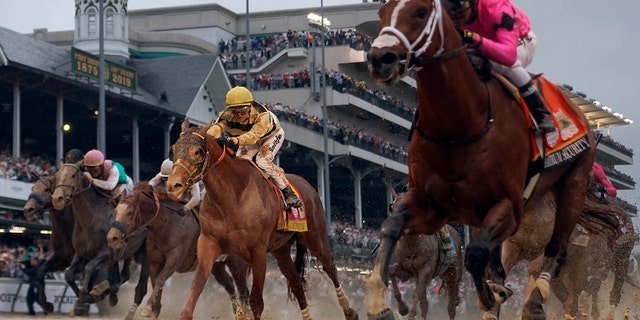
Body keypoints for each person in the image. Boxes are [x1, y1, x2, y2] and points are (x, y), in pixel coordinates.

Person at [443, 0, 555, 133]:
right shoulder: (449, 13)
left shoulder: (499, 9)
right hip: (484, 42)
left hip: (519, 42)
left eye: (458, 5)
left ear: (473, 3)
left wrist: (474, 38)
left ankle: (541, 114)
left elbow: (508, 57)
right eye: (446, 5)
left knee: (500, 64)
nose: (453, 12)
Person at [206, 86, 302, 208]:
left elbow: (253, 136)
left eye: (243, 110)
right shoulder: (226, 114)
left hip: (271, 136)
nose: (239, 115)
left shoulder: (263, 115)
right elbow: (217, 127)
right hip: (248, 137)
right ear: (229, 110)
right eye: (235, 112)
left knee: (262, 161)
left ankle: (288, 192)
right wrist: (208, 137)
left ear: (250, 106)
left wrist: (234, 141)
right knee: (240, 161)